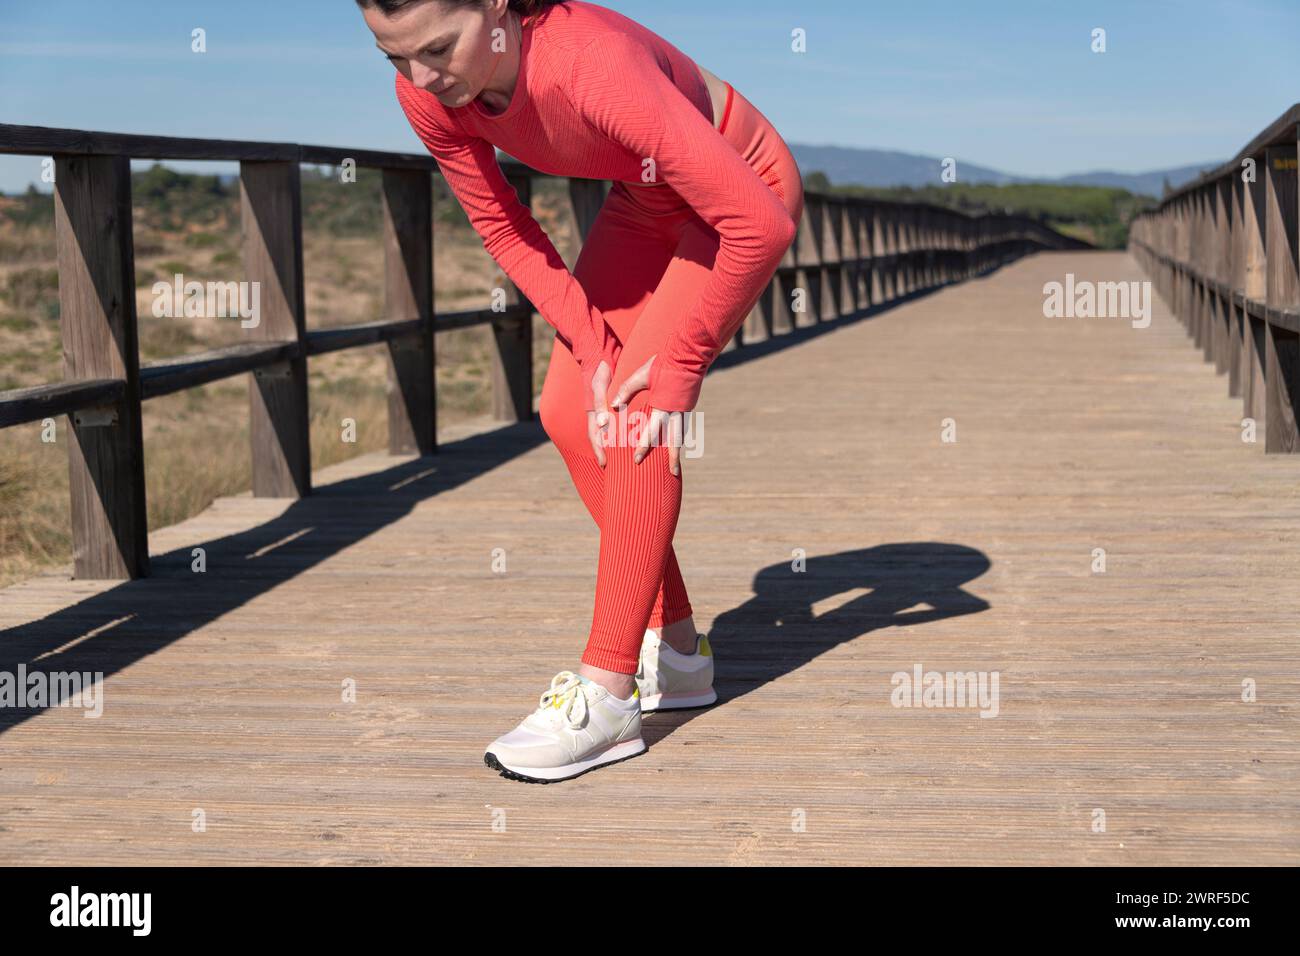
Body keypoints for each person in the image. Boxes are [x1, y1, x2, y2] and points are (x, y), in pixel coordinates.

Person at [358, 0, 804, 782]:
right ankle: (679, 652)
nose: (423, 78)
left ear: (496, 5)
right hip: (647, 205)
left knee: (638, 417)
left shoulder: (587, 64)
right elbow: (501, 226)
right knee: (570, 407)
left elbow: (760, 222)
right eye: (395, 58)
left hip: (738, 193)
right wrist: (594, 342)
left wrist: (680, 365)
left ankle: (608, 695)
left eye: (438, 48)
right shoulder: (428, 92)